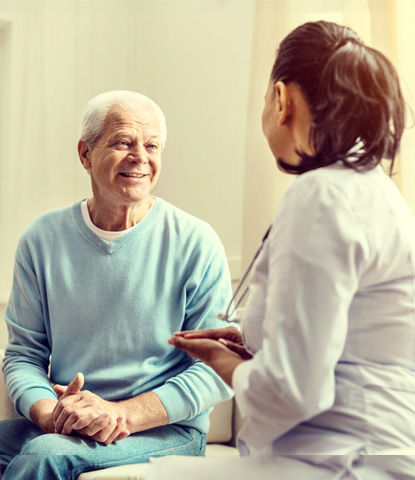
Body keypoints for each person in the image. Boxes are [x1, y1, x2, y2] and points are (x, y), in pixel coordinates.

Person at [168, 20, 415, 479]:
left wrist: (222, 362)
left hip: (343, 461)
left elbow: (295, 392)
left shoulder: (321, 195)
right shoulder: (373, 190)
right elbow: (343, 348)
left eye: (265, 99)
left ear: (280, 100)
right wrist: (257, 349)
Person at [0, 90, 233, 479]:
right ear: (85, 154)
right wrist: (49, 412)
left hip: (166, 431)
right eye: (123, 142)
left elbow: (216, 369)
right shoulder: (41, 239)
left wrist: (119, 412)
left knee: (46, 456)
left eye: (152, 145)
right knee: (47, 446)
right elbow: (24, 355)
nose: (140, 156)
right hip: (68, 424)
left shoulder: (196, 242)